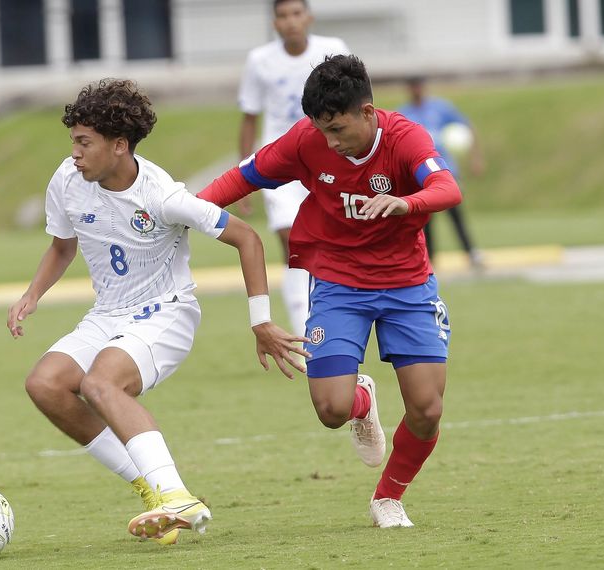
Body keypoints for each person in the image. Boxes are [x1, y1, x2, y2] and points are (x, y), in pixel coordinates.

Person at [7, 79, 308, 544]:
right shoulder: (67, 181)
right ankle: (154, 492)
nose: (75, 153)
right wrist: (33, 295)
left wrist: (261, 320)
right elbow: (62, 246)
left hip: (166, 313)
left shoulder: (163, 196)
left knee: (101, 384)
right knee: (44, 385)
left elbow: (247, 238)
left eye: (84, 143)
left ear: (120, 145)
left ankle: (177, 495)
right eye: (73, 141)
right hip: (108, 313)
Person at [198, 55, 462, 528]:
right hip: (340, 284)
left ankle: (388, 499)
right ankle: (360, 398)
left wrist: (405, 202)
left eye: (338, 129)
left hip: (408, 285)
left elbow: (446, 187)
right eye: (322, 130)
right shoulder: (307, 142)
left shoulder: (406, 138)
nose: (330, 142)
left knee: (426, 409)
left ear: (367, 112)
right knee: (331, 410)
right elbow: (243, 177)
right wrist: (188, 210)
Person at [236, 0, 349, 336]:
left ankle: (335, 321)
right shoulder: (260, 61)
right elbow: (249, 117)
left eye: (296, 14)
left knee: (332, 244)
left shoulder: (334, 49)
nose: (291, 22)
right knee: (293, 243)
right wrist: (245, 177)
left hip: (329, 158)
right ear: (275, 23)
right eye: (283, 16)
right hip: (282, 164)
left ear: (309, 17)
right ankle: (307, 335)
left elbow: (355, 104)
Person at [397, 76, 485, 270]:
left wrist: (476, 157)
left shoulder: (440, 108)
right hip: (419, 174)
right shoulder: (405, 113)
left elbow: (466, 125)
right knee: (425, 218)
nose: (416, 90)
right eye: (412, 87)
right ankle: (430, 259)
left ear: (424, 87)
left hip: (446, 170)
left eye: (419, 86)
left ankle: (471, 253)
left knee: (455, 213)